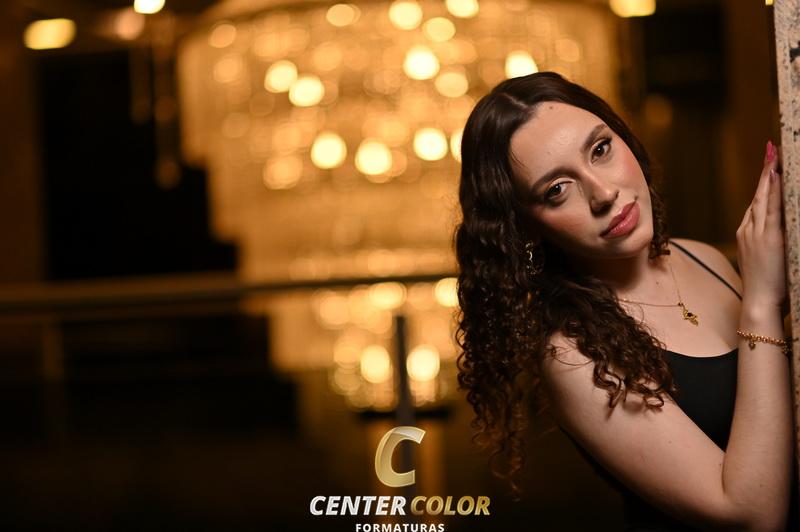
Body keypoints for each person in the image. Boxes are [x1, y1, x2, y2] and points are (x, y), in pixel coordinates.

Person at [454, 71, 794, 530]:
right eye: (557, 190)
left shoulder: (701, 256)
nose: (603, 193)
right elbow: (752, 514)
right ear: (526, 228)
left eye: (600, 149)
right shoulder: (573, 356)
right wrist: (761, 302)